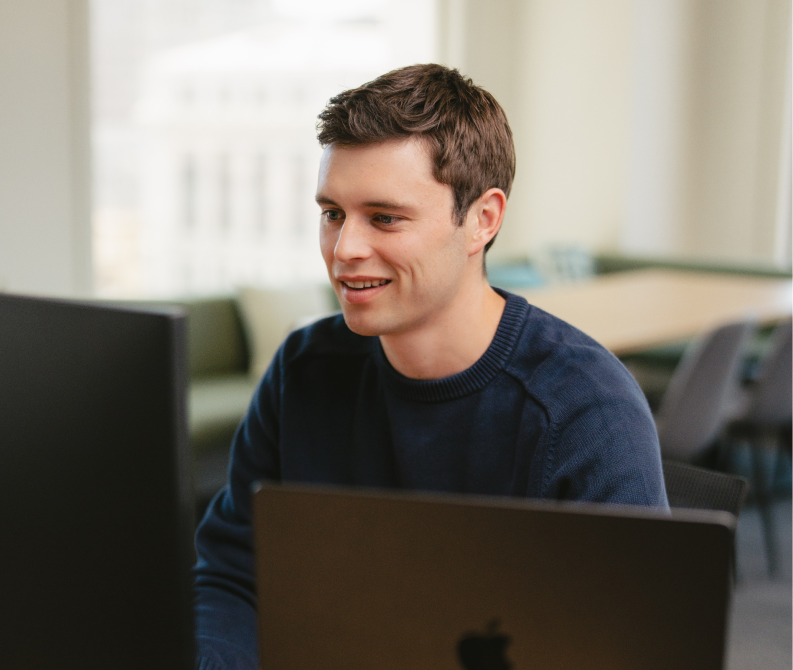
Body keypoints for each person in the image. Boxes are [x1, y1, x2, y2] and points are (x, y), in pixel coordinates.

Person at [193, 63, 667, 670]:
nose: (345, 250)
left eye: (385, 218)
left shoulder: (584, 412)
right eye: (333, 212)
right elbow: (235, 575)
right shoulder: (304, 370)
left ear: (482, 220)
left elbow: (630, 647)